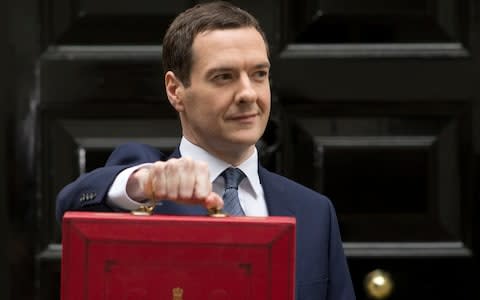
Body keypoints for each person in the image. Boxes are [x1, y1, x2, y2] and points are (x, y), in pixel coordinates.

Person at [56, 1, 356, 299]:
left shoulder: (315, 213)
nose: (248, 93)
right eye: (223, 77)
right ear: (176, 90)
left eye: (259, 74)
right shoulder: (144, 191)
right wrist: (145, 183)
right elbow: (71, 207)